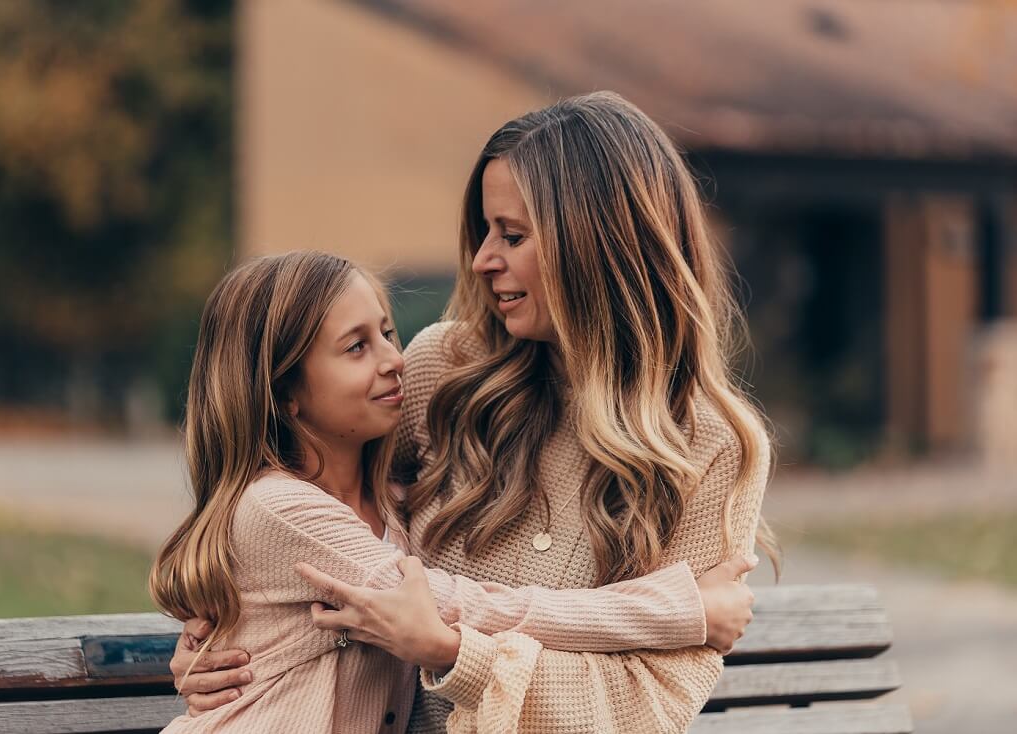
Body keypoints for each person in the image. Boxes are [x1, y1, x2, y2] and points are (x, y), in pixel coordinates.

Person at [169, 91, 778, 733]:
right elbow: (306, 507)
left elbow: (648, 709)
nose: (485, 259)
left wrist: (457, 655)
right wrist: (228, 633)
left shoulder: (714, 447)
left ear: (598, 245)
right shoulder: (443, 371)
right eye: (486, 231)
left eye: (512, 236)